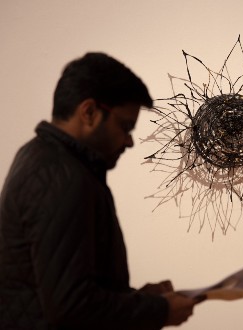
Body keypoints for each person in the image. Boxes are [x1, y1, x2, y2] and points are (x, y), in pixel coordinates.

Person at [0, 53, 200, 329]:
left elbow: (60, 288)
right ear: (90, 112)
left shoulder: (39, 156)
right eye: (125, 126)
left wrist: (137, 299)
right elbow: (72, 308)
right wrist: (159, 310)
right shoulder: (63, 177)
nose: (130, 141)